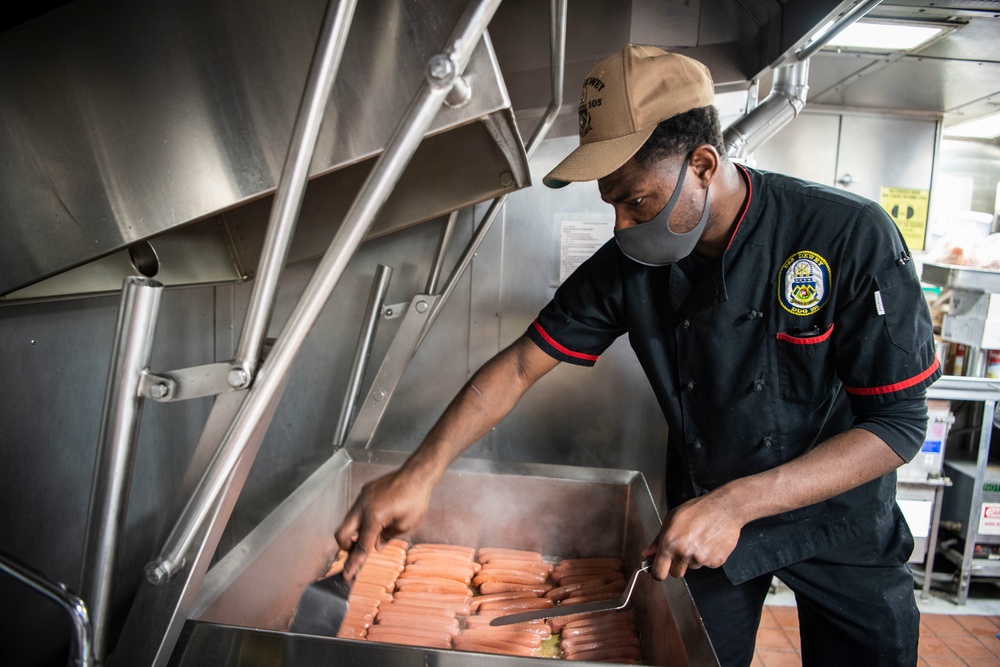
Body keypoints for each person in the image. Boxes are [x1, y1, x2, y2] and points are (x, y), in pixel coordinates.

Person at [335, 44, 940, 666]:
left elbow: (898, 424)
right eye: (611, 204)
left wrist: (737, 503)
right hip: (703, 520)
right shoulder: (632, 262)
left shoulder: (845, 233)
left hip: (838, 521)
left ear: (702, 164)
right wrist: (420, 473)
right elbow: (521, 365)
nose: (622, 227)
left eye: (638, 201)